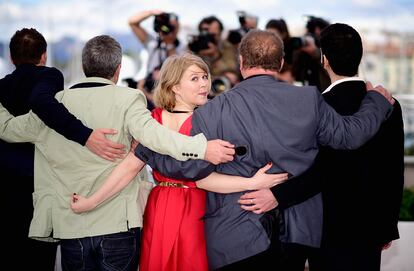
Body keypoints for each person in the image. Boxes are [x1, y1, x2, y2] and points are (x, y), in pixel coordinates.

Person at [132, 30, 394, 270]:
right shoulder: (309, 99)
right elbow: (350, 135)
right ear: (281, 63)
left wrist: (148, 150)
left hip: (234, 234)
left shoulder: (214, 110)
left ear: (242, 62)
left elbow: (188, 169)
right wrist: (377, 102)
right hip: (296, 232)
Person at [0, 35, 234, 271]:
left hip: (71, 223)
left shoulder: (53, 106)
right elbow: (156, 137)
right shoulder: (129, 99)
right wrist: (202, 148)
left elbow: (6, 129)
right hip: (118, 224)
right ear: (118, 68)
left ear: (83, 67)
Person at [70, 52, 288, 271]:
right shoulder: (155, 121)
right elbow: (129, 167)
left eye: (205, 77)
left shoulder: (201, 120)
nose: (204, 84)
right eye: (195, 78)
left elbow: (201, 179)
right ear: (174, 86)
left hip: (191, 209)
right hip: (170, 207)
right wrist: (92, 202)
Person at [246, 23, 405, 271]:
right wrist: (386, 226)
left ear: (324, 59)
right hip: (371, 228)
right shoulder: (389, 104)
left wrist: (277, 196)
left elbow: (321, 171)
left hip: (326, 228)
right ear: (360, 57)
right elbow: (394, 171)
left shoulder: (316, 106)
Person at [0, 28, 124, 269]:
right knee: (39, 256)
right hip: (38, 184)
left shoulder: (2, 87)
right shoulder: (49, 76)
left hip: (5, 183)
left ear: (11, 57)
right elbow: (42, 103)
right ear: (44, 56)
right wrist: (85, 136)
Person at [128, 9, 184, 77]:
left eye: (173, 27)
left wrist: (170, 44)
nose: (169, 29)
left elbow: (174, 69)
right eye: (167, 26)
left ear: (178, 27)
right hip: (150, 84)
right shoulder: (153, 42)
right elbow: (132, 22)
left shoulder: (182, 47)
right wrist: (151, 13)